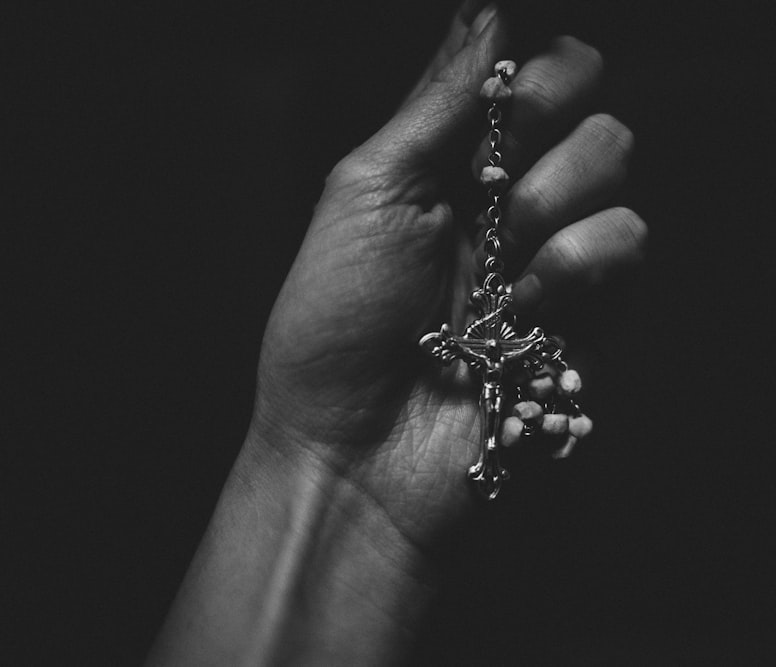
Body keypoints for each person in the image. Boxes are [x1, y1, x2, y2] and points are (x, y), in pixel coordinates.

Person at [146, 3, 645, 664]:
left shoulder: (499, 344)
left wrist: (328, 477)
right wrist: (314, 452)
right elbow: (456, 346)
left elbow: (498, 347)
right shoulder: (463, 342)